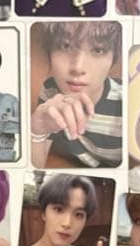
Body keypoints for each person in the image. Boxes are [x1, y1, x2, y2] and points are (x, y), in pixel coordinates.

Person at [30, 22, 122, 169]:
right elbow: (35, 169)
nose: (78, 68)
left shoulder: (125, 102)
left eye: (98, 50)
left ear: (113, 59)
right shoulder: (51, 91)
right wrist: (36, 131)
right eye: (65, 46)